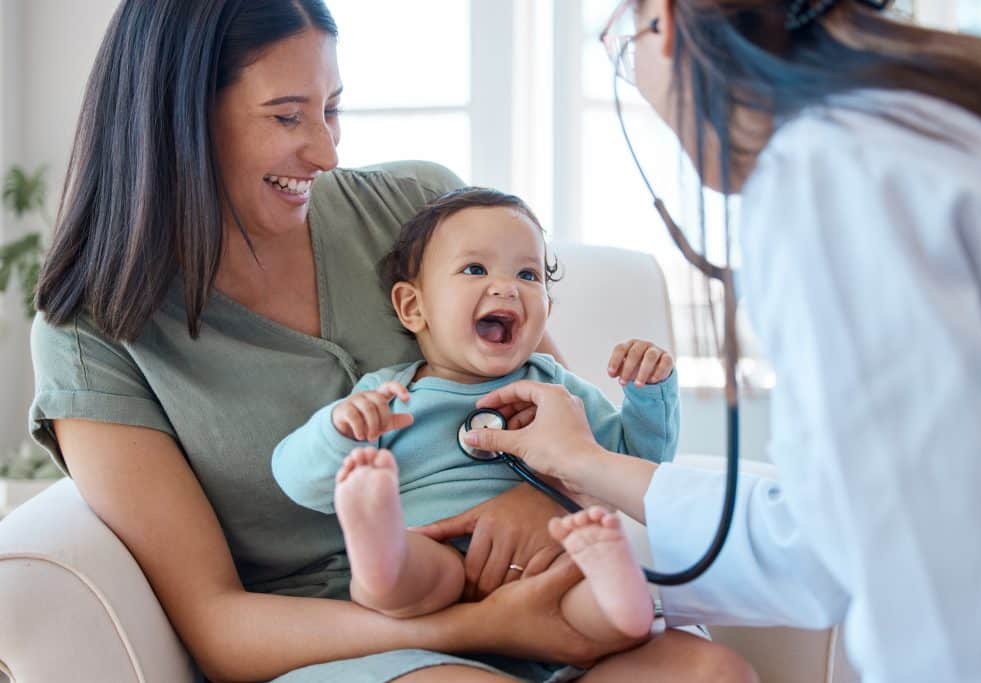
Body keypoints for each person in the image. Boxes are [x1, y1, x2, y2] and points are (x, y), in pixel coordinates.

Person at [26, 1, 757, 681]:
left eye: (332, 108)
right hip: (348, 642)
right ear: (180, 120)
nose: (325, 151)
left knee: (712, 672)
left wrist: (537, 504)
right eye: (287, 117)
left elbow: (549, 413)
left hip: (533, 589)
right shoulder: (91, 333)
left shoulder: (417, 209)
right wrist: (476, 625)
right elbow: (218, 623)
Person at [454, 1, 981, 682]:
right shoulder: (935, 120)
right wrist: (582, 462)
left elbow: (937, 588)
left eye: (623, 46)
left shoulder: (830, 173)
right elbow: (834, 537)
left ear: (663, 23)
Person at [272, 187, 676, 642]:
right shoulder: (389, 396)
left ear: (547, 308)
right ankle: (378, 542)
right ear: (413, 307)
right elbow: (296, 480)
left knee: (596, 610)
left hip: (549, 560)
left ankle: (618, 587)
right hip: (434, 549)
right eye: (475, 269)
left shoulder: (556, 389)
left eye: (528, 274)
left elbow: (634, 464)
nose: (507, 286)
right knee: (403, 578)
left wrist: (647, 394)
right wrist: (339, 430)